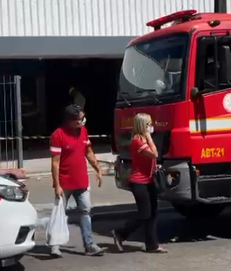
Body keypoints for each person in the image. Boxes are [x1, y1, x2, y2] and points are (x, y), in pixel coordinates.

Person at [49, 104, 103, 257]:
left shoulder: (83, 131)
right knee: (59, 212)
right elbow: (55, 162)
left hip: (82, 182)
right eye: (80, 119)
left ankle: (89, 244)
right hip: (64, 182)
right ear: (70, 121)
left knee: (85, 211)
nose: (83, 121)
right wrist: (57, 185)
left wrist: (97, 168)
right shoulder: (57, 135)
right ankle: (54, 245)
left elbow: (88, 152)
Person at [111, 113, 167, 253]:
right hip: (139, 182)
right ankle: (120, 233)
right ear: (143, 126)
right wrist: (149, 137)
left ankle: (152, 244)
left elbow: (151, 159)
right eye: (149, 124)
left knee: (153, 212)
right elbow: (154, 154)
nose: (151, 126)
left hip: (149, 180)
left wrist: (155, 167)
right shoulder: (137, 140)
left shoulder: (144, 139)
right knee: (144, 214)